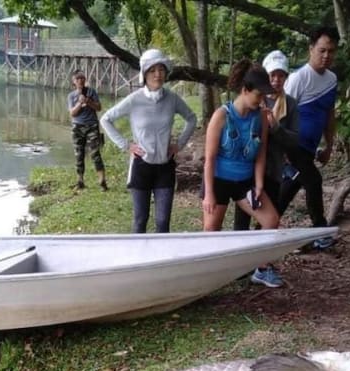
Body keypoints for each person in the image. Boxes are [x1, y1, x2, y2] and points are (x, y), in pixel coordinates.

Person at [202, 60, 284, 287]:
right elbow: (209, 159)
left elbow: (261, 152)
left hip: (245, 182)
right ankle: (209, 275)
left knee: (271, 220)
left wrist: (258, 185)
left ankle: (262, 268)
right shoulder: (221, 115)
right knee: (210, 229)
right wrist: (209, 194)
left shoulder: (260, 117)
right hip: (218, 180)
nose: (262, 100)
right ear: (245, 90)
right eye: (259, 95)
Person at [100, 49, 197, 233]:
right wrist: (126, 145)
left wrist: (180, 144)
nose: (158, 74)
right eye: (152, 70)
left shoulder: (172, 99)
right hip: (141, 166)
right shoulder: (134, 100)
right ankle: (139, 259)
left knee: (162, 222)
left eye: (161, 70)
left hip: (165, 166)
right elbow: (106, 119)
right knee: (140, 219)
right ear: (144, 74)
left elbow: (192, 118)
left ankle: (161, 260)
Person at [278, 26, 340, 250]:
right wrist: (282, 150)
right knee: (313, 181)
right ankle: (320, 231)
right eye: (322, 50)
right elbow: (282, 115)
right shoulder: (298, 78)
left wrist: (328, 145)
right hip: (294, 145)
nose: (326, 56)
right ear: (311, 49)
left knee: (288, 188)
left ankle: (263, 230)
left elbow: (329, 114)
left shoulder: (332, 79)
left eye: (331, 51)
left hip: (311, 147)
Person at [234, 50, 300, 231]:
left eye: (281, 75)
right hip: (249, 168)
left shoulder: (291, 104)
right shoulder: (253, 100)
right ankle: (241, 257)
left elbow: (294, 139)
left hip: (274, 169)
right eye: (273, 75)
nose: (277, 80)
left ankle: (259, 257)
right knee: (242, 220)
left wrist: (276, 127)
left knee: (268, 219)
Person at [67, 69, 107, 191]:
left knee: (95, 153)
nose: (80, 80)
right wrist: (80, 103)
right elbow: (72, 113)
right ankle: (80, 181)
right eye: (78, 78)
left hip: (92, 126)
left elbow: (99, 108)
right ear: (74, 81)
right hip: (77, 127)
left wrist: (88, 101)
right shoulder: (71, 96)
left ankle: (102, 181)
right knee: (79, 154)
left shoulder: (92, 92)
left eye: (82, 78)